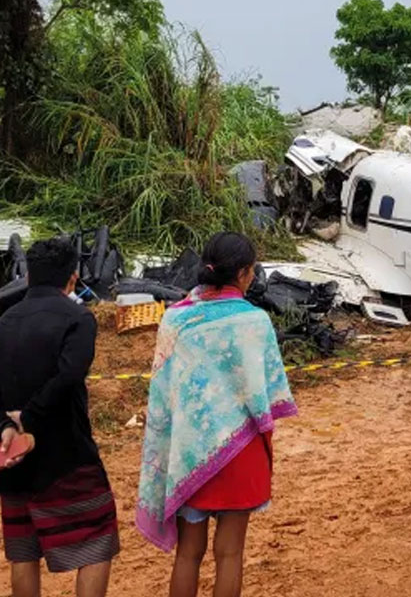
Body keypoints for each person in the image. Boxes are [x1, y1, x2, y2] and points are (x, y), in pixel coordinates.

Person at [136, 232, 298, 597]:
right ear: (241, 273)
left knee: (188, 553)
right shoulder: (255, 322)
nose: (253, 276)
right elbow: (268, 392)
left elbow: (164, 394)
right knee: (230, 553)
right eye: (252, 270)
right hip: (241, 451)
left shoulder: (175, 320)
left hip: (188, 451)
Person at [0, 237, 119, 597]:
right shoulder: (79, 319)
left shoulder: (1, 325)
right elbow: (69, 376)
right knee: (97, 542)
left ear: (29, 277)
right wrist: (30, 420)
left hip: (14, 459)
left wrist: (5, 425)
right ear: (73, 277)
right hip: (68, 456)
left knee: (24, 552)